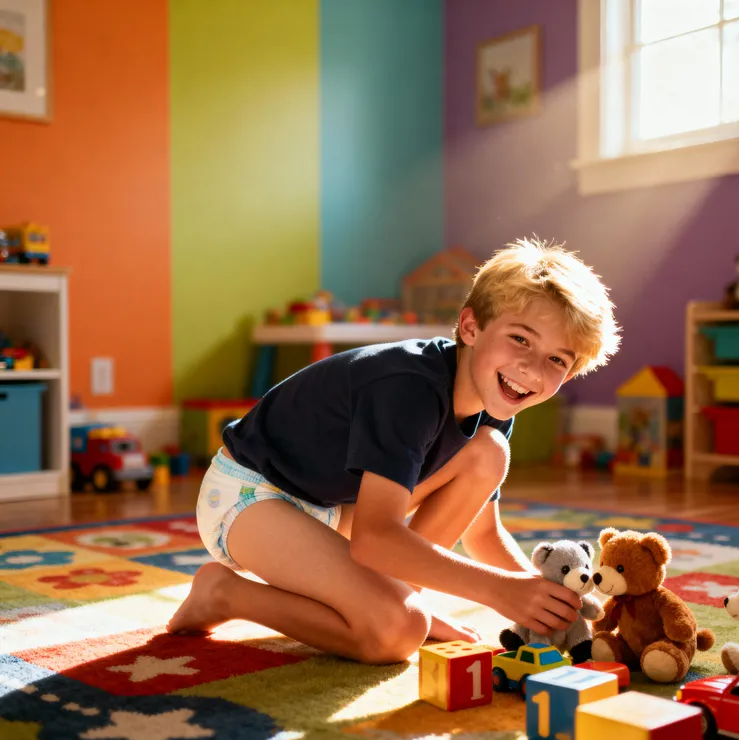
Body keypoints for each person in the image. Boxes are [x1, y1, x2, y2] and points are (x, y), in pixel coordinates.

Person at [168, 237, 621, 665]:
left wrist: (549, 608)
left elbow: (483, 535)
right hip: (250, 495)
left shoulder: (496, 398)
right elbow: (375, 538)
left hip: (330, 508)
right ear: (470, 327)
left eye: (556, 359)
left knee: (489, 452)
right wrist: (497, 591)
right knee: (398, 632)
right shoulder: (409, 389)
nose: (531, 368)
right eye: (520, 339)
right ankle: (225, 594)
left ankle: (395, 599)